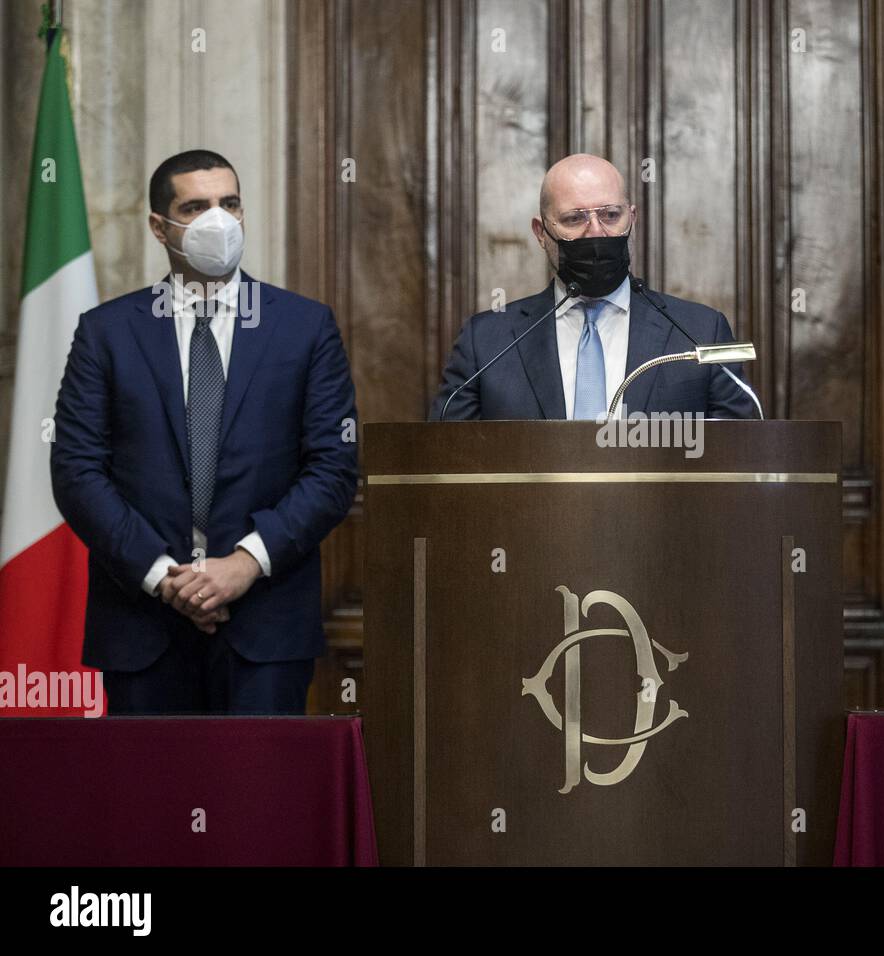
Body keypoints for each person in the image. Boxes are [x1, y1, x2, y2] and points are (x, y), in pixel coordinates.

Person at [51, 149, 359, 714]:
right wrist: (165, 577)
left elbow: (333, 471)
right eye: (194, 207)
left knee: (258, 798)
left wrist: (242, 565)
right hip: (142, 628)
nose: (217, 220)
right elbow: (76, 472)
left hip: (266, 627)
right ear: (159, 226)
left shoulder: (304, 327)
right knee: (148, 799)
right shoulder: (107, 333)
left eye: (229, 203)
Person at [434, 153, 755, 420]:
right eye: (575, 219)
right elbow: (446, 456)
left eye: (610, 215)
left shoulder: (701, 331)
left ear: (632, 219)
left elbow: (741, 457)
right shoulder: (487, 342)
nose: (596, 233)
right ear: (541, 232)